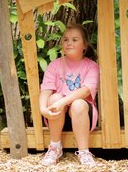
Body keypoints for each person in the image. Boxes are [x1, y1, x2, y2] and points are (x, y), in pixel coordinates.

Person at [39, 24, 99, 167]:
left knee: (78, 103)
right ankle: (55, 148)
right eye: (65, 40)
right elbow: (46, 90)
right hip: (57, 117)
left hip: (82, 117)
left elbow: (85, 91)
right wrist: (43, 109)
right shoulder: (54, 65)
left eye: (74, 40)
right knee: (54, 98)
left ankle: (84, 152)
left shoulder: (91, 66)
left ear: (84, 45)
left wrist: (63, 101)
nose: (69, 43)